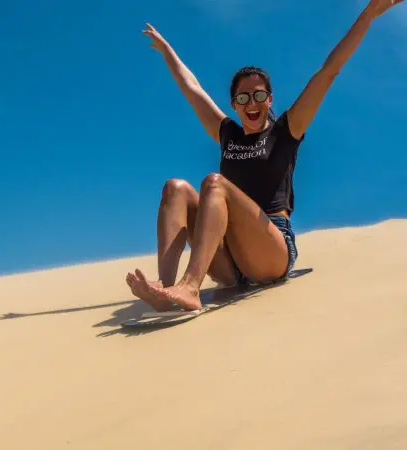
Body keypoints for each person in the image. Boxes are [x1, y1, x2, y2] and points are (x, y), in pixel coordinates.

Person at [126, 0, 403, 312]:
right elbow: (192, 89)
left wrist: (368, 15)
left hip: (272, 249)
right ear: (234, 104)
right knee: (175, 188)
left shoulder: (287, 129)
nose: (251, 103)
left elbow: (328, 72)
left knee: (214, 184)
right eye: (243, 98)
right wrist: (167, 52)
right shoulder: (227, 133)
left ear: (269, 99)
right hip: (230, 258)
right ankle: (165, 290)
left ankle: (191, 287)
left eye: (259, 95)